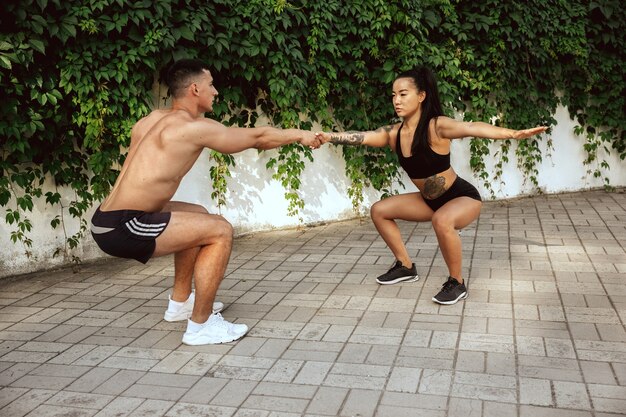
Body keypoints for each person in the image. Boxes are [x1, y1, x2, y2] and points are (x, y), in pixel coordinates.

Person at [90, 59, 320, 345]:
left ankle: (181, 303)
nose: (216, 92)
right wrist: (299, 135)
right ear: (195, 89)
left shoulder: (151, 119)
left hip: (108, 217)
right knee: (219, 230)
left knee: (199, 216)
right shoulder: (190, 127)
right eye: (211, 85)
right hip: (123, 226)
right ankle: (201, 326)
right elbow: (258, 137)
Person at [316, 67, 546, 305]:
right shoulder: (394, 133)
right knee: (379, 210)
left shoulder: (436, 126)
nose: (397, 100)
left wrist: (513, 133)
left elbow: (471, 127)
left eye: (403, 94)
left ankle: (457, 282)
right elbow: (362, 136)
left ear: (421, 96)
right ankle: (405, 266)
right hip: (429, 201)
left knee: (442, 220)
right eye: (394, 95)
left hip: (462, 197)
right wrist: (329, 137)